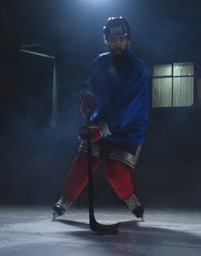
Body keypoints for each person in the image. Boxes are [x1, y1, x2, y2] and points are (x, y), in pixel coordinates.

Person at [53, 16, 149, 219]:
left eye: (121, 39)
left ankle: (130, 199)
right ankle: (67, 198)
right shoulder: (100, 61)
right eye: (112, 40)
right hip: (102, 119)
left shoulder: (137, 68)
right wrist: (87, 96)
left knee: (114, 171)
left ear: (128, 40)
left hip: (129, 128)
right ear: (106, 40)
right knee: (84, 160)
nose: (117, 43)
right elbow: (92, 83)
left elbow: (128, 107)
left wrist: (103, 127)